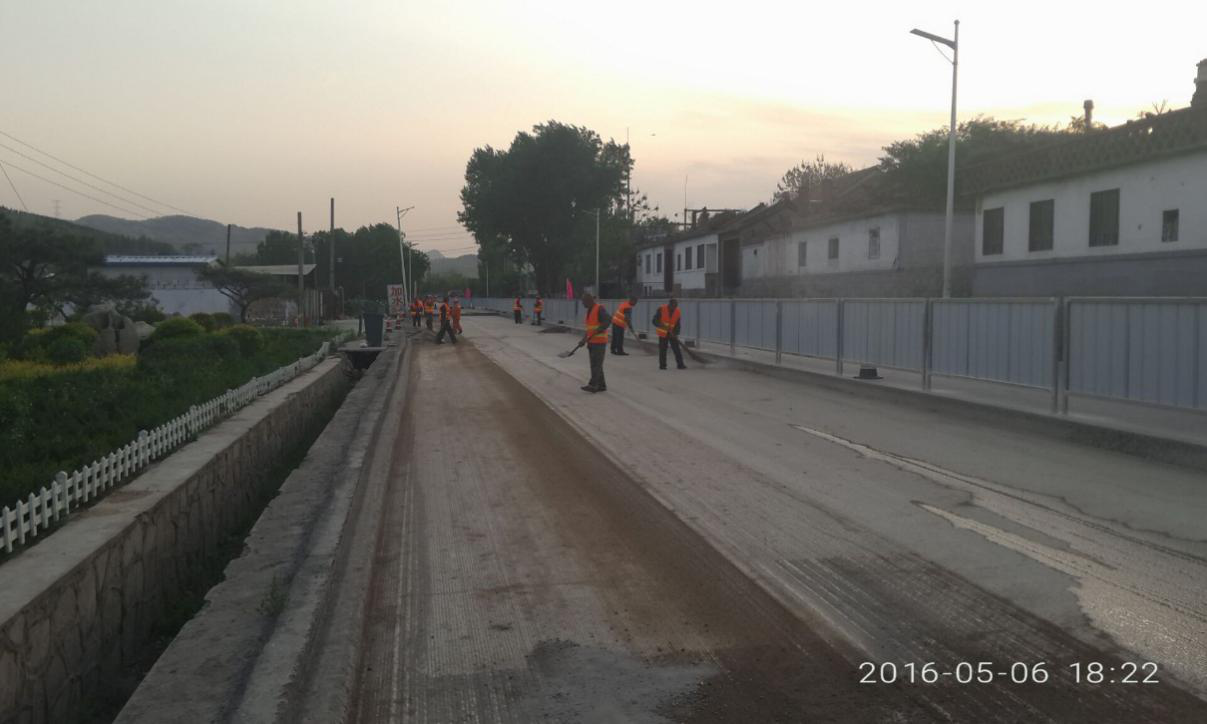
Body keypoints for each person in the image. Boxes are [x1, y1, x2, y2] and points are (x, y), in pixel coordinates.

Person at [579, 292, 609, 393]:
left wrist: (599, 330)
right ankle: (601, 385)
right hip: (592, 342)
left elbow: (608, 320)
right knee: (596, 364)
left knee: (596, 365)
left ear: (589, 300)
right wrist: (583, 340)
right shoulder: (589, 311)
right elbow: (589, 329)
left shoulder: (599, 309)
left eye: (583, 302)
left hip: (599, 342)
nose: (582, 304)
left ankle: (593, 385)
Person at [653, 298, 686, 370]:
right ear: (669, 304)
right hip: (663, 333)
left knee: (677, 349)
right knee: (663, 350)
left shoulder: (677, 311)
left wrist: (675, 333)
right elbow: (654, 321)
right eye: (673, 306)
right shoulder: (661, 309)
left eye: (676, 306)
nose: (674, 308)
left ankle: (680, 365)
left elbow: (677, 324)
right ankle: (662, 366)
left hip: (672, 333)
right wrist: (661, 325)